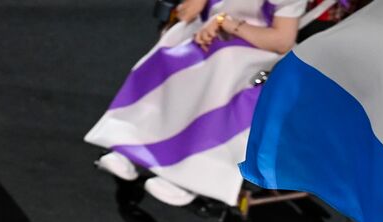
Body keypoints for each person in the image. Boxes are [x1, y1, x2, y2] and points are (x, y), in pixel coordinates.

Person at [85, 0, 305, 207]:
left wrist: (225, 22)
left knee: (222, 67)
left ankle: (189, 176)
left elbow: (282, 41)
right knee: (173, 54)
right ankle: (130, 144)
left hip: (256, 50)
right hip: (209, 32)